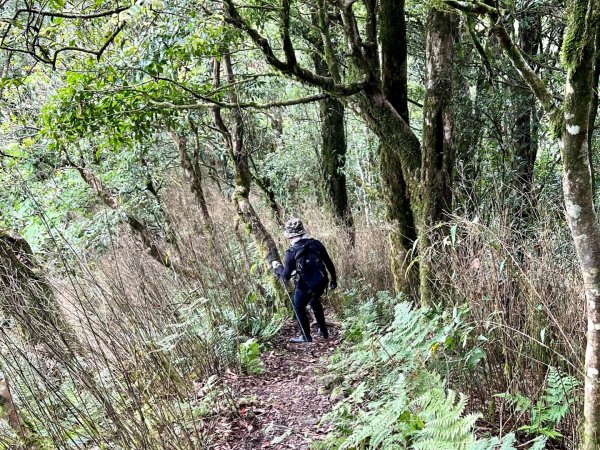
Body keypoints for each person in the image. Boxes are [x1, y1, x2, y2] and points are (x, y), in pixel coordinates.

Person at [272, 218, 337, 343]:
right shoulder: (316, 243)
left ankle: (305, 336)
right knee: (314, 301)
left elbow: (286, 276)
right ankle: (324, 331)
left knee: (298, 307)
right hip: (321, 281)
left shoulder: (291, 251)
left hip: (305, 286)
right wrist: (333, 279)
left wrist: (277, 267)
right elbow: (328, 262)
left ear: (290, 235)